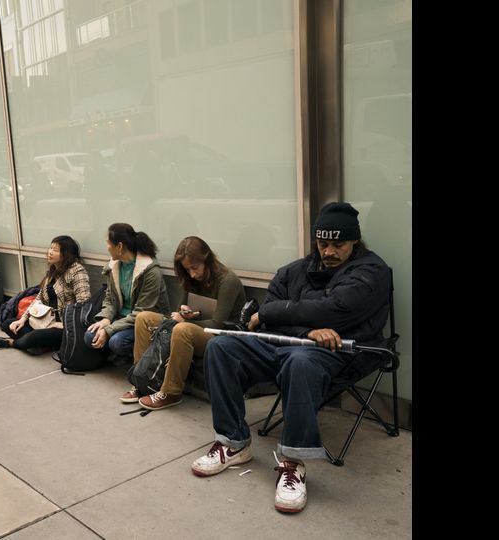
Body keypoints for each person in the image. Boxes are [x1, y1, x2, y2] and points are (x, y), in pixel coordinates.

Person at [191, 202, 391, 514]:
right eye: (323, 243)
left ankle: (293, 463)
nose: (329, 251)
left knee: (300, 361)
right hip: (292, 344)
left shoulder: (372, 271)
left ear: (354, 241)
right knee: (221, 347)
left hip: (342, 352)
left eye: (338, 244)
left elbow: (337, 311)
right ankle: (233, 441)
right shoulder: (292, 271)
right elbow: (271, 321)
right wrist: (307, 330)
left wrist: (272, 313)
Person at [121, 236, 246, 410]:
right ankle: (141, 381)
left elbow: (217, 323)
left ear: (207, 260)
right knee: (144, 318)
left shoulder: (228, 281)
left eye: (195, 268)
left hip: (219, 336)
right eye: (187, 270)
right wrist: (184, 313)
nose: (192, 274)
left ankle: (171, 392)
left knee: (182, 329)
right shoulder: (190, 278)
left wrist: (186, 319)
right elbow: (180, 312)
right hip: (194, 325)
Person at [85, 223, 170, 360]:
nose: (107, 248)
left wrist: (109, 330)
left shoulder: (150, 271)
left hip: (142, 323)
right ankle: (114, 352)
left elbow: (142, 313)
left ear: (119, 246)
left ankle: (130, 354)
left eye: (108, 243)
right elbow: (109, 298)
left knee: (117, 342)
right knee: (89, 336)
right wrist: (106, 319)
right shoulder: (114, 266)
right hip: (120, 318)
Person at [0, 236, 90, 354]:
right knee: (9, 323)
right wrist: (23, 320)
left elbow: (83, 303)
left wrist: (64, 324)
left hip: (65, 327)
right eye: (50, 248)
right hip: (45, 320)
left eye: (55, 250)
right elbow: (38, 299)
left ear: (66, 254)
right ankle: (41, 344)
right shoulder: (53, 270)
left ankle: (14, 343)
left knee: (31, 338)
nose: (50, 252)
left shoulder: (77, 271)